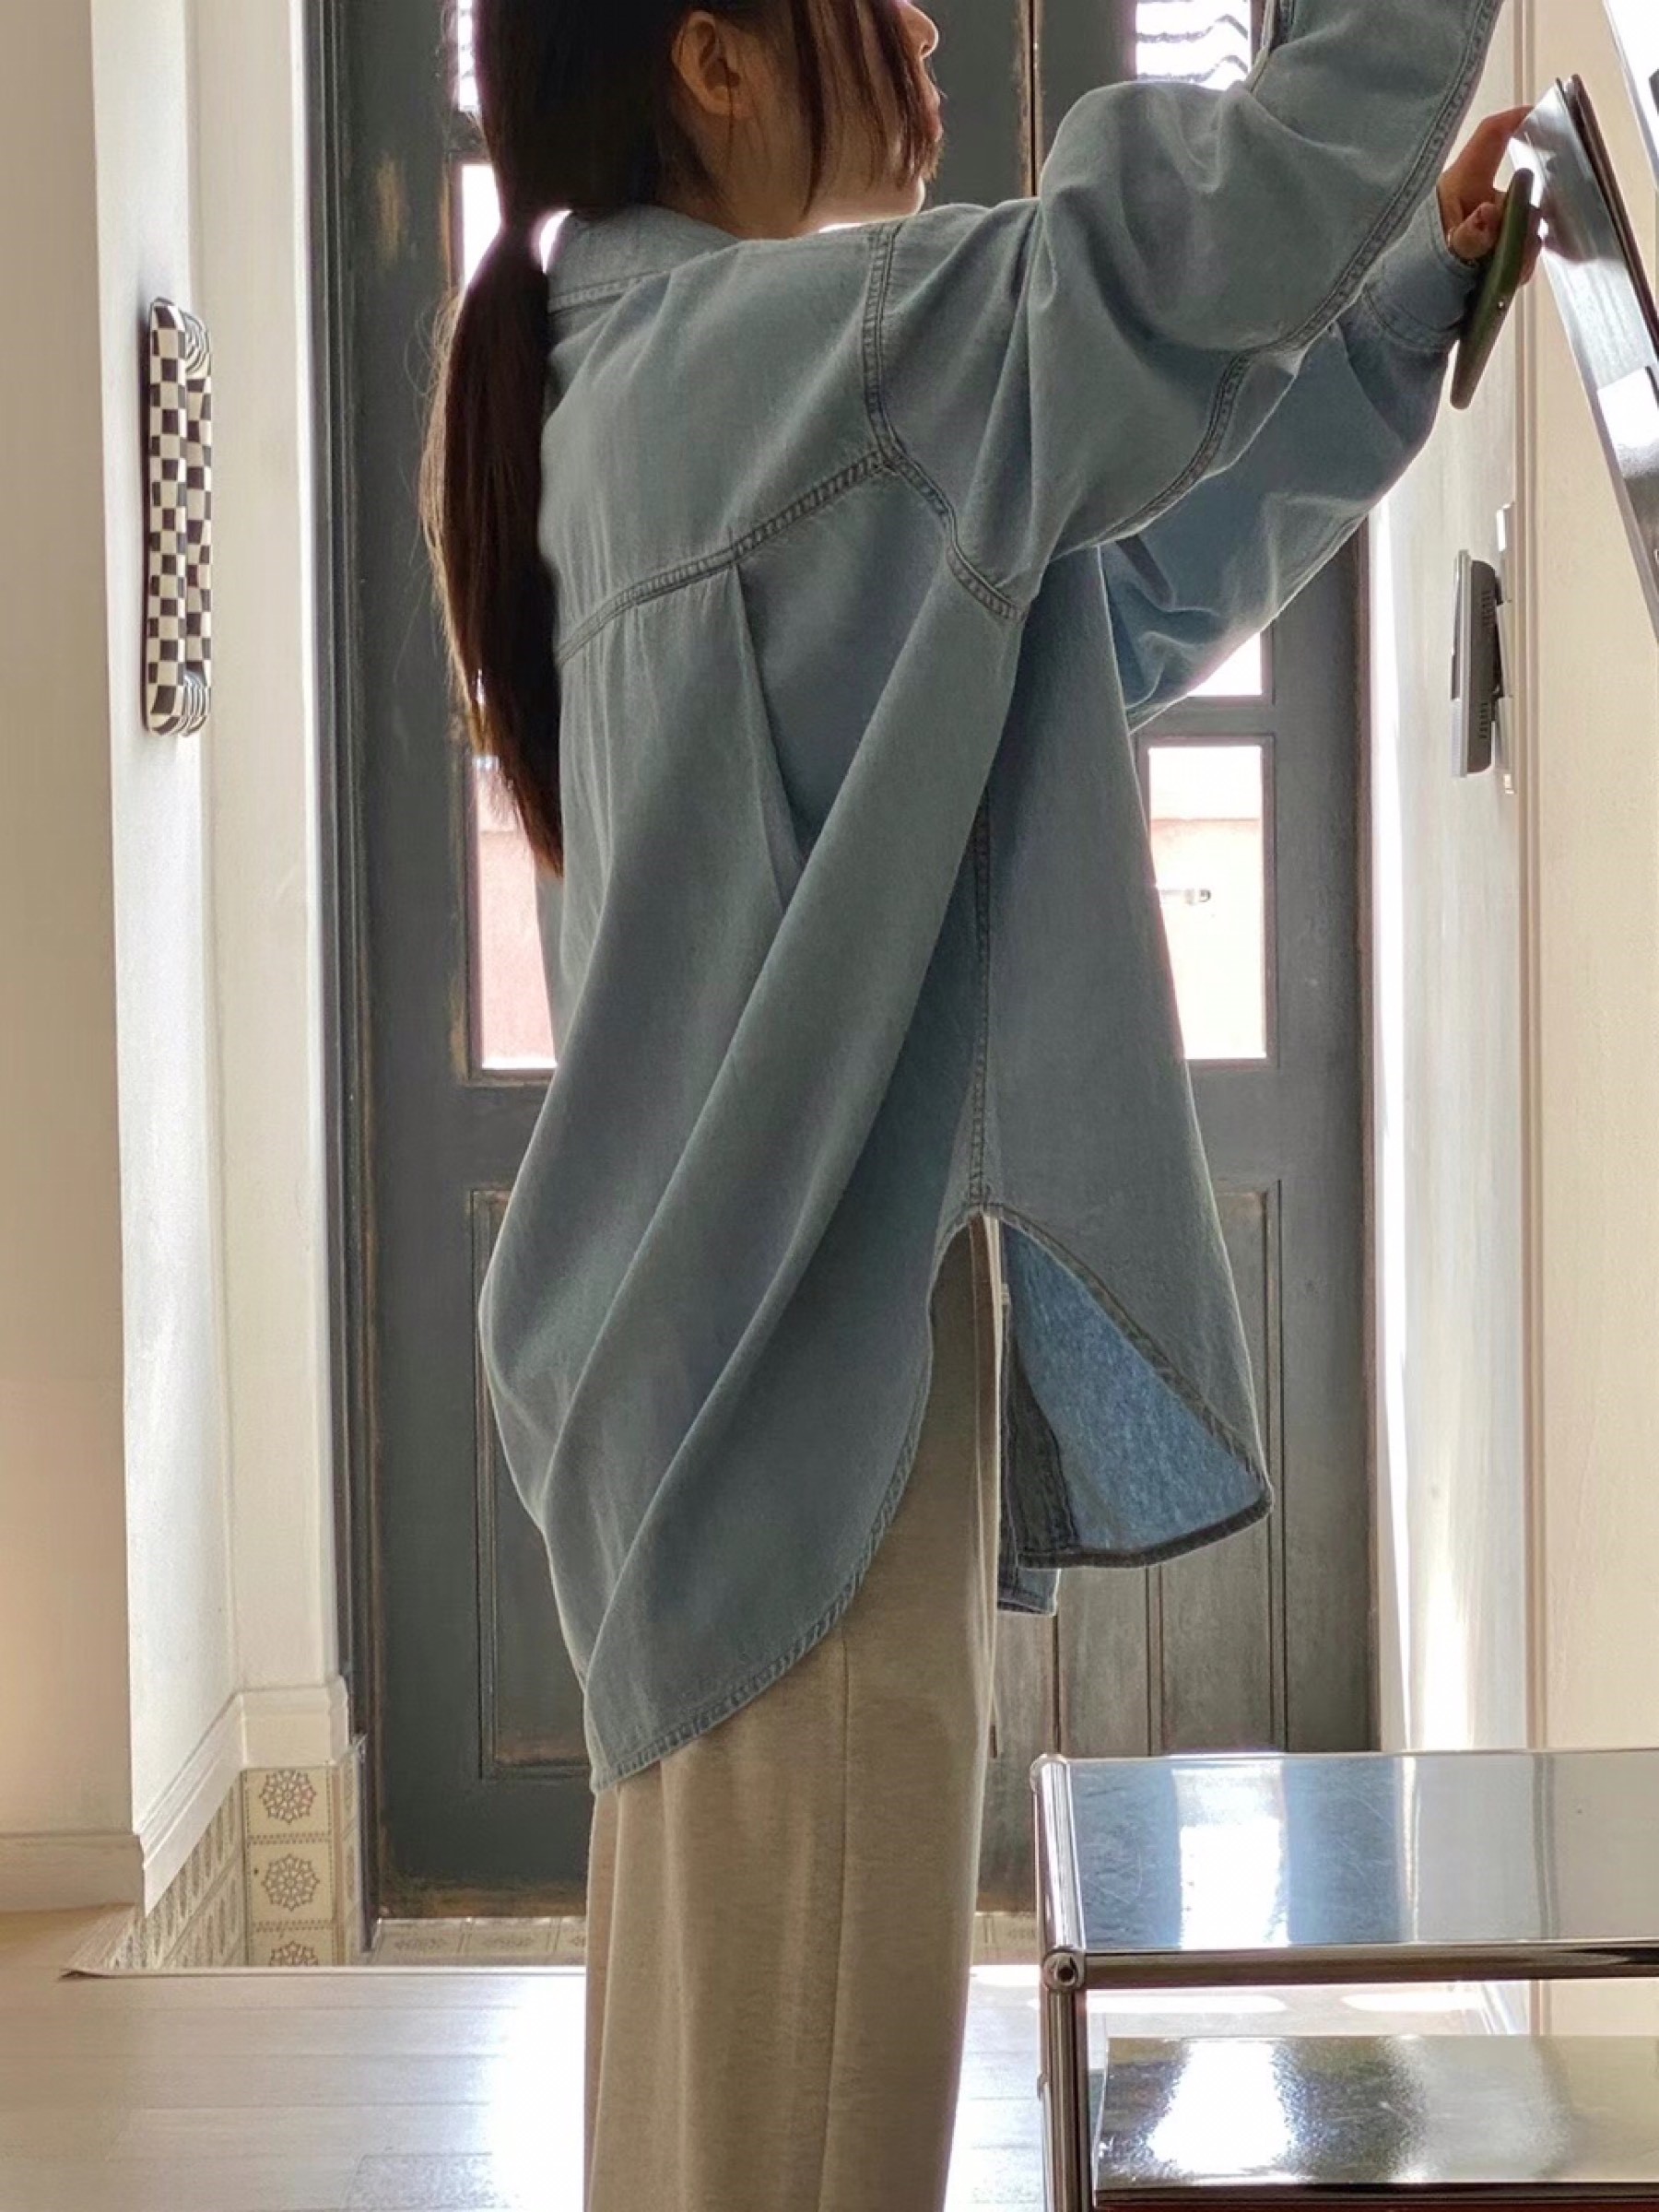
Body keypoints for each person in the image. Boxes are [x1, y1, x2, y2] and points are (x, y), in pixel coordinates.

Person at [422, 3, 1530, 2204]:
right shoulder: (791, 367)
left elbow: (1106, 604)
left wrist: (1408, 298)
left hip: (730, 1430)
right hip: (800, 1448)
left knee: (726, 2147)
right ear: (716, 62)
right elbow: (1169, 252)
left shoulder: (660, 386)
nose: (924, 24)